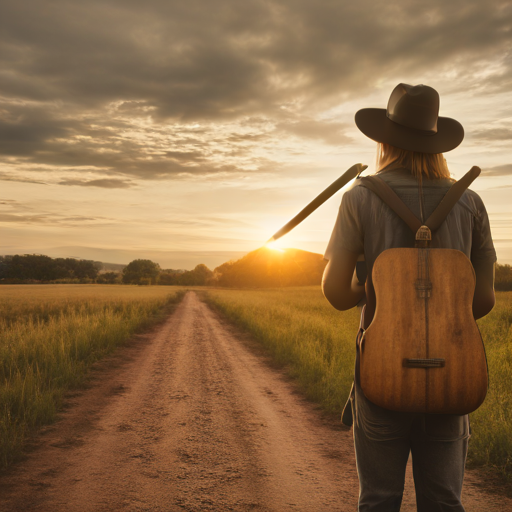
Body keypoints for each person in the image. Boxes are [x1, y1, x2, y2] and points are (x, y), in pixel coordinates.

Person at [322, 83, 496, 512]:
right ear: (437, 142)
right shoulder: (471, 203)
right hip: (453, 372)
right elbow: (485, 300)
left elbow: (334, 292)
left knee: (379, 499)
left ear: (384, 139)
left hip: (382, 371)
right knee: (443, 500)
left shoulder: (358, 198)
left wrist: (380, 289)